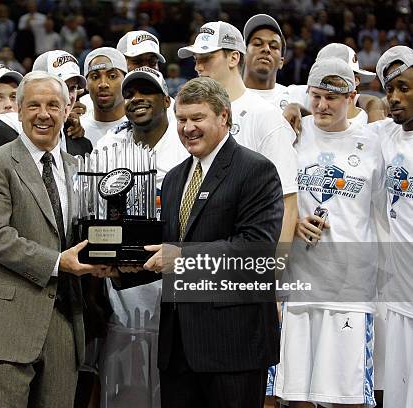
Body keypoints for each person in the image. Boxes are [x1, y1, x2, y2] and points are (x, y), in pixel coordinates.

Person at [118, 76, 283, 407]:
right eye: (181, 119)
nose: (187, 128)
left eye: (197, 118)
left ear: (223, 116)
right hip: (178, 348)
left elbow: (255, 250)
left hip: (232, 347)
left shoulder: (256, 170)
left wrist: (180, 257)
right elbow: (164, 248)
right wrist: (121, 266)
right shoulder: (176, 177)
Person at [0, 71, 110, 406]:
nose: (43, 114)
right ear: (18, 109)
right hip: (4, 328)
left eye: (53, 105)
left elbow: (86, 236)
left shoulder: (78, 168)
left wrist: (106, 261)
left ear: (67, 108)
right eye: (34, 105)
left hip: (64, 326)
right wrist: (59, 263)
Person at [274, 58, 385, 408]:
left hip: (350, 289)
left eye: (331, 98)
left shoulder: (374, 142)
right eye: (316, 96)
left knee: (347, 397)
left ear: (351, 97)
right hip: (299, 286)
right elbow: (270, 199)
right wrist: (291, 223)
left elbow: (383, 216)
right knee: (297, 397)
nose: (321, 105)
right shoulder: (292, 134)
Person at [97, 67, 189, 407]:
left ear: (167, 100)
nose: (136, 98)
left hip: (173, 289)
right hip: (123, 290)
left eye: (146, 91)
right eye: (130, 93)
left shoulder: (185, 146)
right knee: (126, 392)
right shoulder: (110, 145)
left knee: (171, 392)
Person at [178, 20, 298, 245]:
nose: (198, 67)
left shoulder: (265, 116)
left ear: (234, 58)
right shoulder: (189, 119)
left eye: (207, 58)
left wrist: (274, 270)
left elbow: (287, 202)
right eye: (196, 60)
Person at [373, 45, 413, 408]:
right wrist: (294, 109)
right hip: (401, 295)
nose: (395, 98)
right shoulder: (384, 136)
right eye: (390, 90)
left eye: (404, 87)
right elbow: (339, 117)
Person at [32, 50, 93, 156]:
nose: (68, 97)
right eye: (61, 87)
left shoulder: (83, 145)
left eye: (72, 88)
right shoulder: (11, 133)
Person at [80, 47, 128, 146]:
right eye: (95, 77)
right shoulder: (77, 130)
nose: (103, 84)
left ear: (126, 81)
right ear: (86, 85)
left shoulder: (140, 127)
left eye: (112, 76)